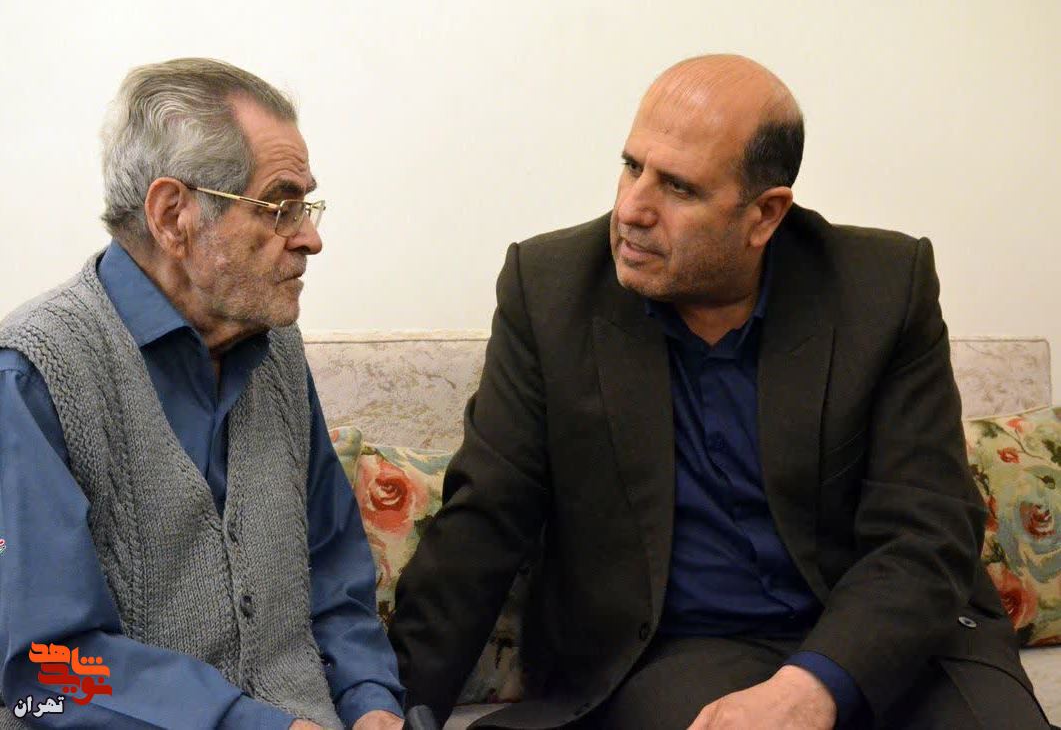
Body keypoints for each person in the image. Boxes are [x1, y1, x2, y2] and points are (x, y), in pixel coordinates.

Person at [389, 54, 1049, 729]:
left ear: (765, 214)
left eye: (678, 188)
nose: (632, 209)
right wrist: (396, 706)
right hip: (680, 651)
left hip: (891, 638)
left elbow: (925, 529)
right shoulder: (551, 289)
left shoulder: (881, 288)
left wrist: (813, 684)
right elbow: (485, 518)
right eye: (631, 166)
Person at [0, 59, 404, 729]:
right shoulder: (33, 374)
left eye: (306, 206)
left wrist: (371, 703)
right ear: (173, 215)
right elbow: (47, 665)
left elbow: (334, 581)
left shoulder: (275, 347)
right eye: (279, 206)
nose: (310, 237)